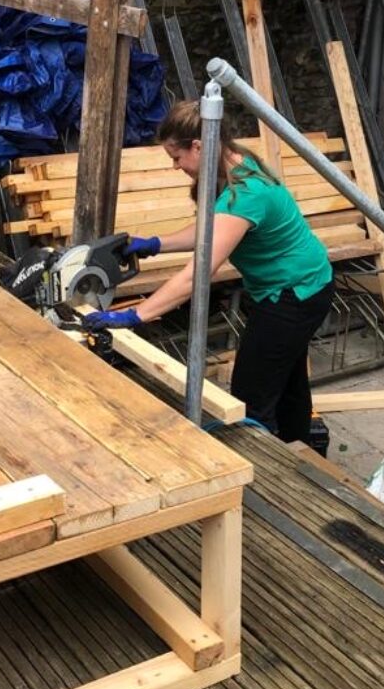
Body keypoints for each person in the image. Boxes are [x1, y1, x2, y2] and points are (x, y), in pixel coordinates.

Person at [85, 101, 334, 445]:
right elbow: (212, 229)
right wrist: (156, 244)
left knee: (250, 395)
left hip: (295, 294)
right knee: (287, 380)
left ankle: (262, 465)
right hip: (302, 285)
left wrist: (135, 315)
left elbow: (197, 274)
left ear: (199, 146)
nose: (175, 166)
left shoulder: (246, 194)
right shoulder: (235, 163)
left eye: (177, 157)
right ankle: (301, 450)